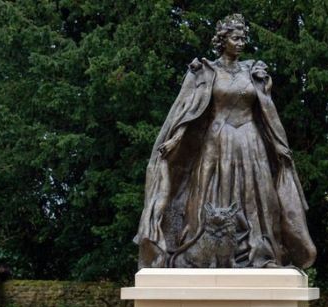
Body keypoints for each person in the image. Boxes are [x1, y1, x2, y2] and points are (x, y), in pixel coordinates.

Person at [134, 14, 316, 269]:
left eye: (243, 38)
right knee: (208, 195)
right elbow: (186, 110)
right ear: (222, 40)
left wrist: (277, 142)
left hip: (251, 140)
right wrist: (175, 138)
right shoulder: (205, 71)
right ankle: (206, 252)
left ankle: (260, 253)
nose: (241, 42)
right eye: (235, 37)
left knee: (260, 196)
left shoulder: (254, 71)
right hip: (216, 139)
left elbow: (266, 111)